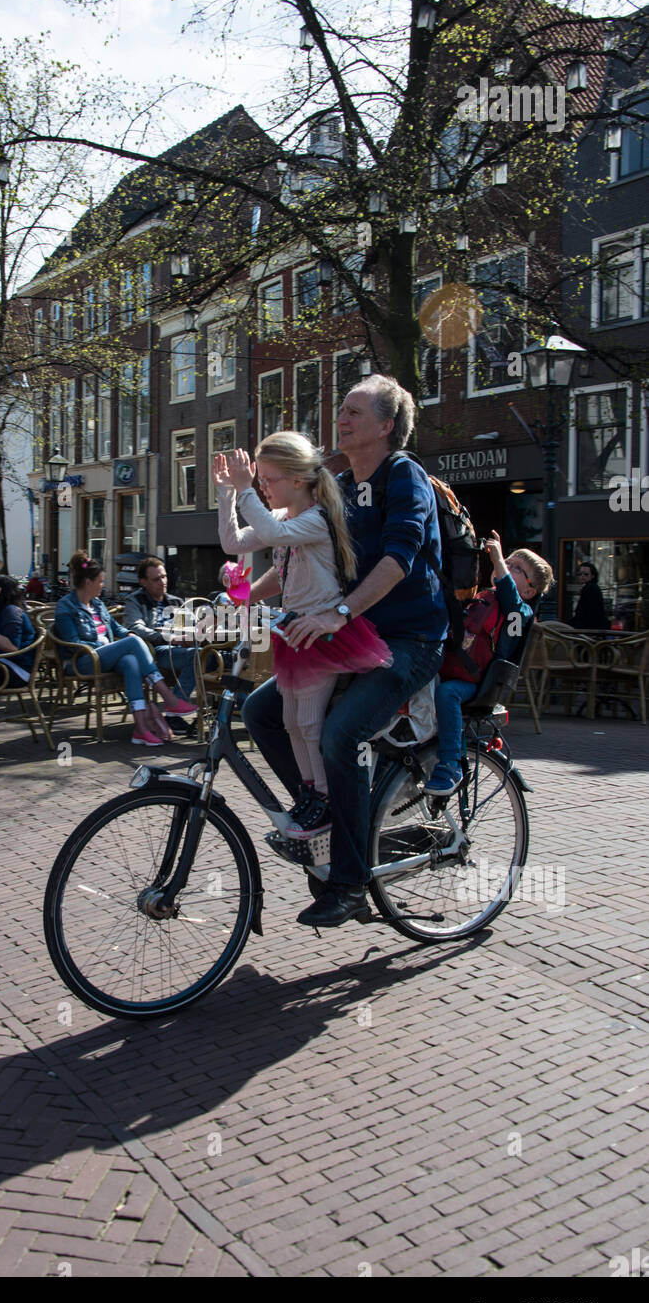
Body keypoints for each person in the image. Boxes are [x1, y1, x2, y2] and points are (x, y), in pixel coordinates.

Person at [241, 375, 448, 929]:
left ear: (385, 426)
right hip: (350, 636)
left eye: (355, 411)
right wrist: (238, 594)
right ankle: (323, 813)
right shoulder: (336, 483)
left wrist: (339, 613)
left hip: (409, 639)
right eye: (342, 409)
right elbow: (297, 557)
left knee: (340, 733)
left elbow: (399, 559)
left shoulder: (404, 477)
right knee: (258, 712)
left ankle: (352, 882)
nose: (342, 418)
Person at [215, 434, 391, 839]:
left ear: (297, 480)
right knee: (293, 720)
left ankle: (326, 802)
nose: (262, 487)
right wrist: (228, 495)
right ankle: (312, 795)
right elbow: (232, 542)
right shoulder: (284, 520)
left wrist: (243, 491)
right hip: (296, 631)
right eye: (259, 481)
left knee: (309, 721)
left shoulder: (317, 518)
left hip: (324, 633)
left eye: (268, 480)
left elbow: (271, 535)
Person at [424, 534, 554, 796]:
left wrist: (496, 558)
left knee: (447, 694)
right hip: (454, 671)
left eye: (518, 569)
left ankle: (450, 765)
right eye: (509, 562)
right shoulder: (483, 596)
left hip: (478, 685)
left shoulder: (521, 612)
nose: (508, 567)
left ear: (529, 591)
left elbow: (511, 600)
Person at [54, 550, 195, 745]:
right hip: (82, 660)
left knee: (131, 661)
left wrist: (126, 636)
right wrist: (111, 644)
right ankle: (168, 697)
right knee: (134, 642)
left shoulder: (97, 604)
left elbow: (117, 628)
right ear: (88, 583)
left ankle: (141, 728)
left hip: (104, 656)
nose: (103, 586)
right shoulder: (65, 607)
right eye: (101, 581)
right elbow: (75, 644)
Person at [122, 557, 199, 706]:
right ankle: (175, 709)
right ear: (143, 582)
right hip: (154, 651)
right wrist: (169, 637)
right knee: (199, 657)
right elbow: (135, 628)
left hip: (181, 649)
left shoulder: (175, 602)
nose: (162, 582)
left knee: (215, 656)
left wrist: (199, 630)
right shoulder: (135, 600)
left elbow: (191, 625)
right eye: (156, 579)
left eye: (164, 577)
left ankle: (232, 709)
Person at [570, 561, 609, 631]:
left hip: (590, 629)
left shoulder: (589, 588)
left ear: (593, 576)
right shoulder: (591, 587)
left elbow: (586, 612)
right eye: (580, 574)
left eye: (586, 574)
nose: (582, 576)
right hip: (593, 628)